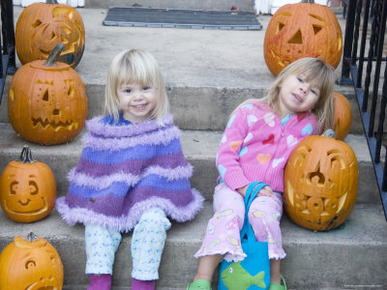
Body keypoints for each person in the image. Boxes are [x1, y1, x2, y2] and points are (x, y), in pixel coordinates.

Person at [56, 49, 204, 290]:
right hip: (111, 197)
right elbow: (94, 174)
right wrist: (105, 195)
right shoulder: (105, 132)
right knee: (96, 222)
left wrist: (149, 198)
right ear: (115, 93)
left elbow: (168, 175)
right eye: (128, 90)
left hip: (149, 200)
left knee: (154, 221)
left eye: (146, 88)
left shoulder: (162, 131)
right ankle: (99, 282)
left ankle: (143, 283)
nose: (138, 97)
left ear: (158, 89)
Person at [186, 57, 335, 290]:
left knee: (262, 216)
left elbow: (312, 160)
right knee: (230, 213)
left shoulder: (309, 127)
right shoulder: (249, 112)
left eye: (313, 90)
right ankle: (201, 278)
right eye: (300, 79)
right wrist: (243, 185)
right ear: (282, 79)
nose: (304, 89)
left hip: (271, 192)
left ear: (317, 102)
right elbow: (225, 156)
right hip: (232, 185)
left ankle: (275, 279)